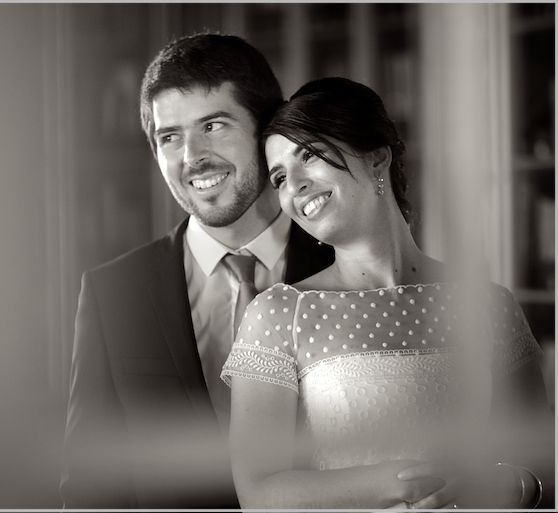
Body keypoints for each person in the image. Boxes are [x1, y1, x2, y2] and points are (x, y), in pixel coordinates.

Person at [221, 77, 554, 509]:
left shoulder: (487, 305)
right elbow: (258, 494)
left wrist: (510, 486)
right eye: (280, 177)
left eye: (309, 155)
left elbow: (543, 463)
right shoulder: (282, 314)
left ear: (377, 157)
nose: (295, 186)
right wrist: (395, 483)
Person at [59, 34, 334, 508]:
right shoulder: (111, 294)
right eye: (170, 137)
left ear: (266, 130)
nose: (192, 157)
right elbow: (90, 488)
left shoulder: (344, 265)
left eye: (214, 125)